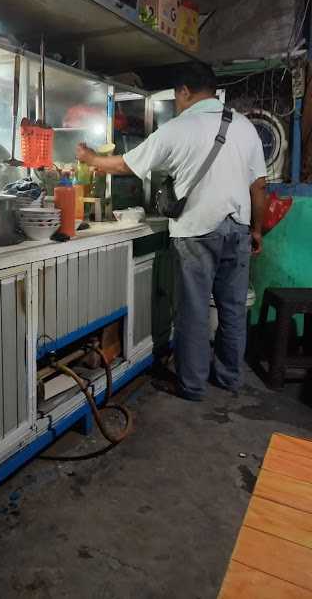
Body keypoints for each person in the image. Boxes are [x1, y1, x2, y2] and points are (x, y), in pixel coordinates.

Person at [76, 62, 267, 401]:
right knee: (233, 309)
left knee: (194, 310)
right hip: (238, 227)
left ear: (184, 92)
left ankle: (192, 386)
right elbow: (259, 189)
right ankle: (229, 378)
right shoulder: (244, 126)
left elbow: (124, 164)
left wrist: (90, 157)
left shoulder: (179, 127)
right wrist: (257, 231)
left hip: (196, 229)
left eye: (178, 97)